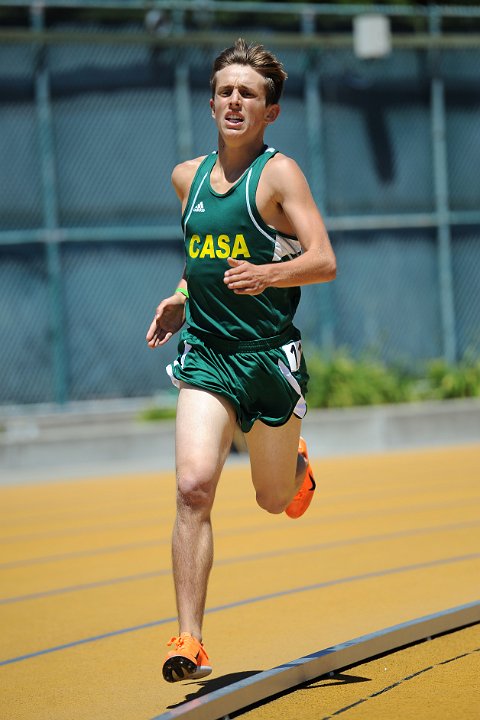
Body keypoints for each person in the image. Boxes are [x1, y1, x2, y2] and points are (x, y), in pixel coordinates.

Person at [146, 38, 336, 684]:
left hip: (268, 360)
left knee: (270, 497)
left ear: (269, 112)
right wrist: (179, 298)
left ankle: (296, 469)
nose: (235, 101)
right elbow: (201, 255)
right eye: (226, 90)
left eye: (248, 94)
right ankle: (189, 638)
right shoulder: (186, 177)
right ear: (210, 102)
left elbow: (324, 261)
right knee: (193, 485)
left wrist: (269, 273)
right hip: (208, 355)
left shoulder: (279, 176)